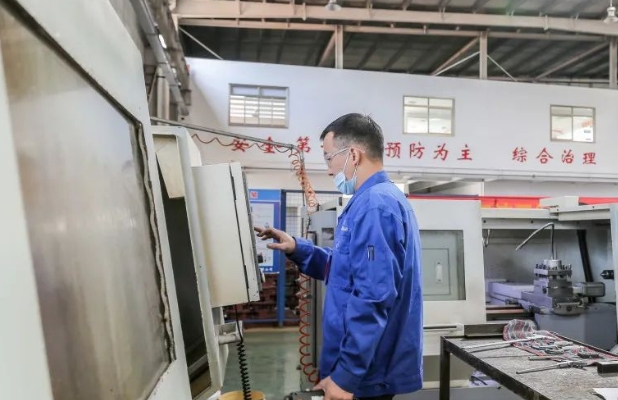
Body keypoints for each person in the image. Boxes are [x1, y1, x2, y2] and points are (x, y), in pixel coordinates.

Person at [255, 113, 423, 400]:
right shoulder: (370, 201)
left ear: (353, 155)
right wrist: (297, 248)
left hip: (367, 372)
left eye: (329, 158)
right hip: (364, 367)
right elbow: (346, 269)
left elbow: (373, 296)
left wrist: (346, 376)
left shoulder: (375, 205)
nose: (329, 169)